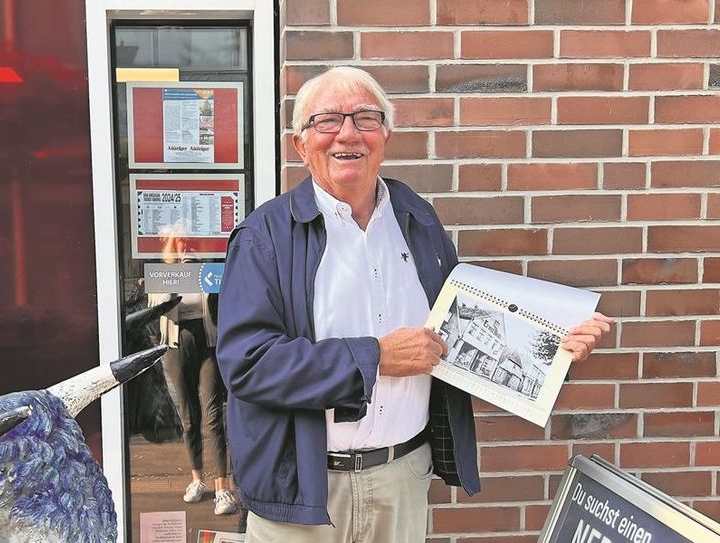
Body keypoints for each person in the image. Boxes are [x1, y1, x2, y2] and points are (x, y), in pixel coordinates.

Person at [216, 66, 613, 542]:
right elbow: (247, 364)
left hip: (401, 479)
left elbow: (464, 328)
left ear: (385, 135)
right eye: (327, 120)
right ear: (301, 145)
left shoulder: (417, 220)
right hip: (301, 491)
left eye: (366, 117)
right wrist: (376, 357)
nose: (348, 133)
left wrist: (553, 348)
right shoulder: (264, 237)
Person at [150, 225, 238, 516]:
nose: (185, 245)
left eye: (189, 240)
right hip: (177, 345)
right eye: (179, 241)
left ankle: (223, 489)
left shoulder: (209, 269)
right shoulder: (163, 273)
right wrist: (178, 272)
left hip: (209, 343)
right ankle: (197, 479)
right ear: (169, 245)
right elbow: (159, 306)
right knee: (189, 417)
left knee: (213, 416)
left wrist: (198, 271)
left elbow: (226, 302)